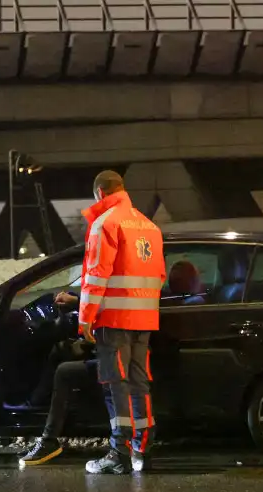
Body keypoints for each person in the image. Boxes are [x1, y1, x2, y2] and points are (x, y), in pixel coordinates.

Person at [79, 170, 167, 475]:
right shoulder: (149, 226)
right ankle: (144, 447)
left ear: (101, 193)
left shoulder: (106, 223)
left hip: (114, 318)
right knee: (139, 382)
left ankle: (119, 451)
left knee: (115, 384)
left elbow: (96, 274)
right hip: (144, 318)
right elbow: (159, 276)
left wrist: (85, 318)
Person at [19, 358, 114, 466]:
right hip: (115, 357)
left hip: (116, 360)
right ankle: (38, 403)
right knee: (59, 355)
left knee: (64, 372)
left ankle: (49, 438)